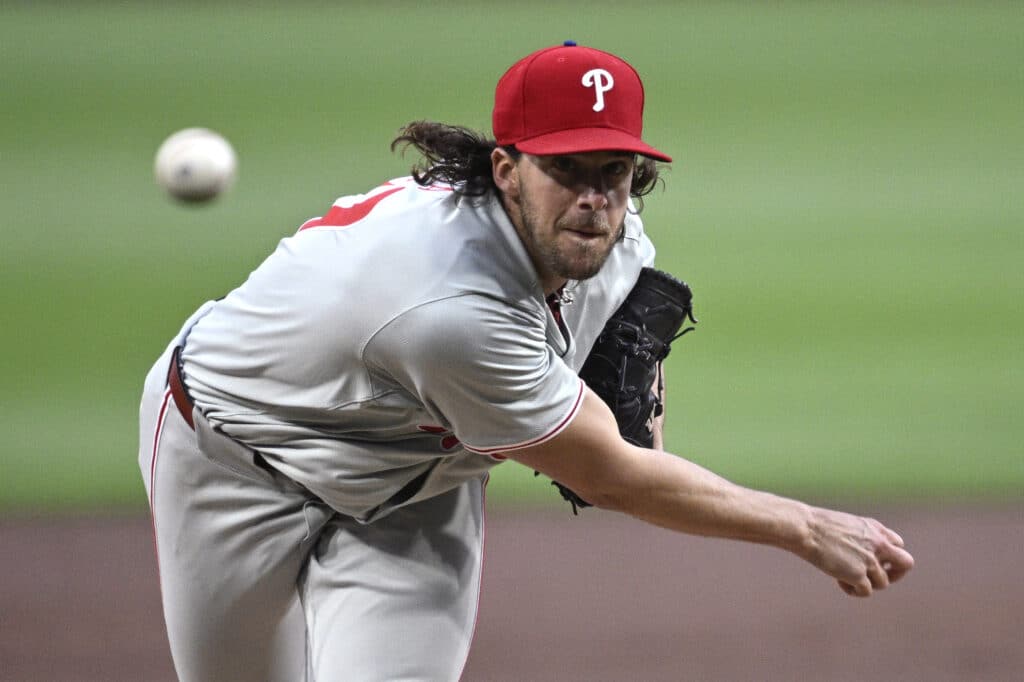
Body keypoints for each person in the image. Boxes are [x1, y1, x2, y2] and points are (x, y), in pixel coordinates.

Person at [138, 42, 914, 682]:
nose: (594, 198)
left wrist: (638, 418)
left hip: (415, 484)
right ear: (507, 171)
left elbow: (633, 422)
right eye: (566, 169)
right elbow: (611, 476)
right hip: (238, 462)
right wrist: (806, 527)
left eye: (613, 170)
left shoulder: (614, 236)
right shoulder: (447, 308)